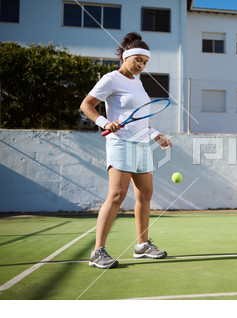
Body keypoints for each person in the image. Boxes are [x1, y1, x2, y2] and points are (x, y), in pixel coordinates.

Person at [80, 32, 172, 269]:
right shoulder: (111, 79)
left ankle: (142, 245)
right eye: (138, 60)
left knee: (145, 194)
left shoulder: (138, 83)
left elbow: (140, 119)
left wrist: (156, 135)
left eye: (145, 62)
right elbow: (86, 105)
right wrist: (104, 122)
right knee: (117, 195)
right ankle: (98, 251)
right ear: (125, 57)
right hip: (121, 142)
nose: (141, 65)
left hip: (142, 143)